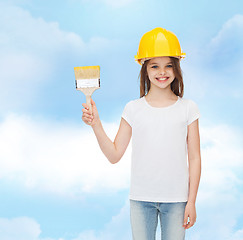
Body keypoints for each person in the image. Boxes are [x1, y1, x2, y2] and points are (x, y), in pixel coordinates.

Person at [81, 27, 201, 240]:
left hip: (177, 200)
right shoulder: (133, 109)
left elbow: (194, 158)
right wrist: (96, 124)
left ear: (177, 68)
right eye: (155, 66)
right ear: (145, 68)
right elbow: (114, 155)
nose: (161, 72)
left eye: (168, 66)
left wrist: (191, 201)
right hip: (140, 199)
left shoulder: (188, 108)